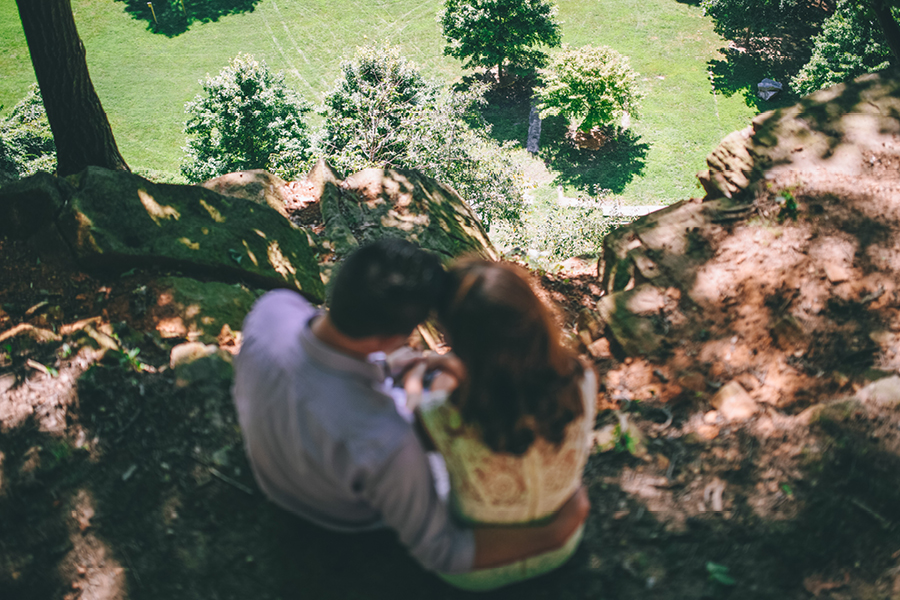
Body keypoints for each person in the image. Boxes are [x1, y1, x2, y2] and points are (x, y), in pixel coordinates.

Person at [232, 239, 589, 580]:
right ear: (393, 340)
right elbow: (444, 551)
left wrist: (392, 371)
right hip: (344, 514)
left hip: (275, 476)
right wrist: (554, 532)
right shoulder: (389, 438)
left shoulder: (272, 309)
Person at [410, 259, 598, 591]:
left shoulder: (437, 416)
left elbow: (421, 420)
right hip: (561, 547)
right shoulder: (582, 379)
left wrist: (420, 378)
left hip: (473, 572)